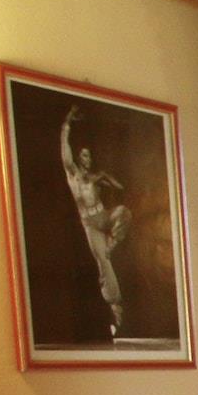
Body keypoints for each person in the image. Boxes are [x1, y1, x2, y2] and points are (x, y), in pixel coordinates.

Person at [61, 105, 131, 340]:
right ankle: (116, 315)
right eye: (84, 155)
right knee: (104, 264)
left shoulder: (94, 176)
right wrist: (66, 125)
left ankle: (113, 243)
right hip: (90, 223)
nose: (87, 159)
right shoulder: (73, 174)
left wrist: (106, 177)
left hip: (103, 216)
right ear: (78, 157)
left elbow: (120, 187)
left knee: (123, 212)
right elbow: (65, 152)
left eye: (89, 156)